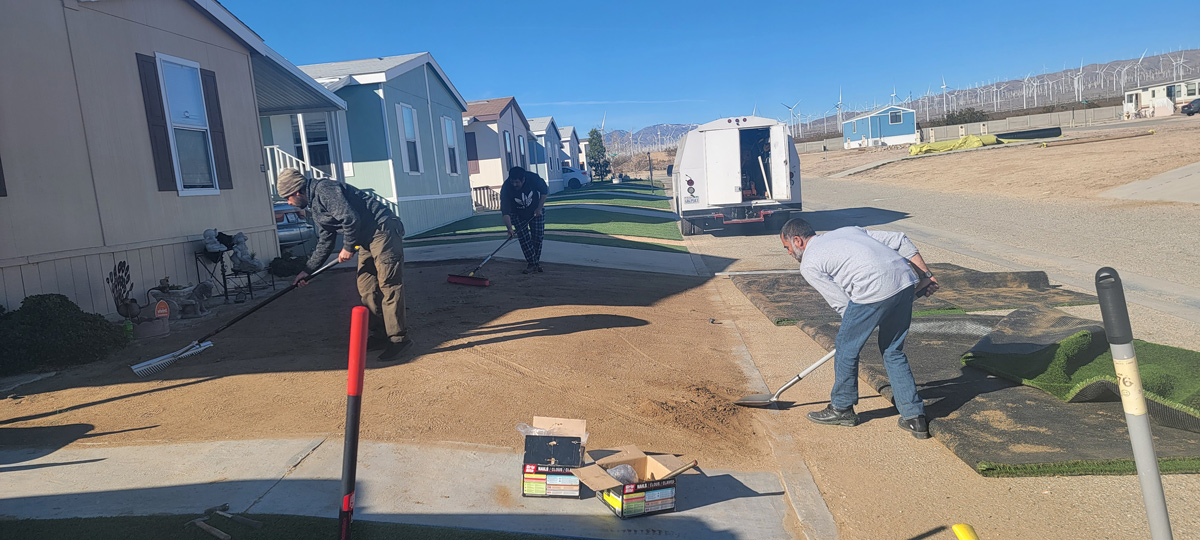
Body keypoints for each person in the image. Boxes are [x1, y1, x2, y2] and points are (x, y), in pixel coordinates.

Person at [779, 218, 940, 438]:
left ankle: (842, 408)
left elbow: (843, 304)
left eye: (787, 248)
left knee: (846, 347)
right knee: (892, 350)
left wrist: (858, 328)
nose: (789, 253)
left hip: (873, 288)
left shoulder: (809, 263)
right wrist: (926, 276)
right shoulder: (848, 230)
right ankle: (914, 417)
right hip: (903, 281)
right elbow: (901, 240)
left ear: (797, 240)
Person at [275, 168, 413, 361]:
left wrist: (348, 247)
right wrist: (307, 271)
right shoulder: (315, 206)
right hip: (364, 238)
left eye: (288, 197)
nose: (289, 202)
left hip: (383, 229)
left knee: (388, 284)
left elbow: (350, 218)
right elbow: (325, 241)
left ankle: (399, 339)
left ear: (297, 191)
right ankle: (381, 333)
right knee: (366, 286)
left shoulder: (325, 189)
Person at [500, 166, 549, 274]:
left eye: (517, 182)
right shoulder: (506, 188)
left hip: (536, 210)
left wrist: (539, 208)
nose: (514, 185)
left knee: (538, 237)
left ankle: (534, 263)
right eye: (512, 182)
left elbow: (544, 192)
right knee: (524, 239)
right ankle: (533, 264)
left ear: (523, 180)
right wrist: (509, 229)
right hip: (517, 214)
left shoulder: (533, 178)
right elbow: (505, 211)